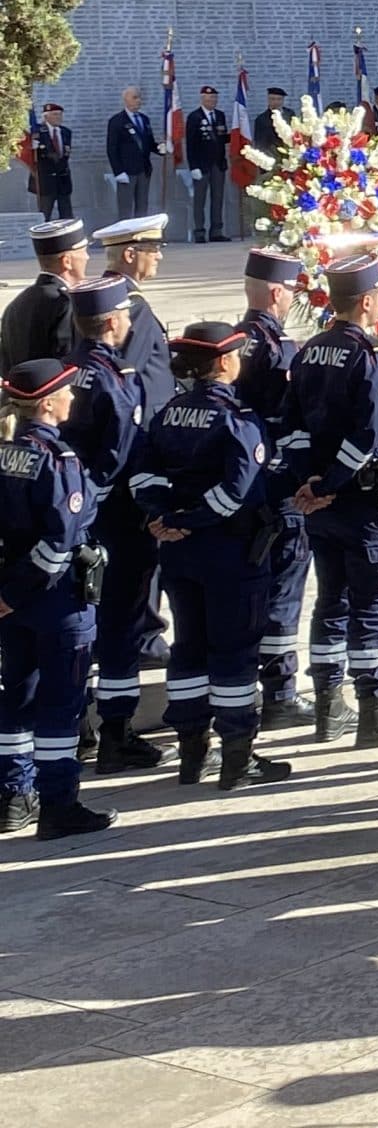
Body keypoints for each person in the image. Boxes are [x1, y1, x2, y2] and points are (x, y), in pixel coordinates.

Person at [126, 321, 293, 791]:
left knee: (189, 648)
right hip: (230, 554)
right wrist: (192, 518)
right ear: (224, 362)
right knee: (235, 651)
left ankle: (192, 752)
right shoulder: (237, 417)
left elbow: (144, 476)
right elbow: (236, 491)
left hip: (179, 554)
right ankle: (238, 755)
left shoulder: (168, 412)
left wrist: (165, 517)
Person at [275, 253, 378, 747]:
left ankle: (327, 707)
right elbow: (369, 436)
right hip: (356, 503)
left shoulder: (306, 351)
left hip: (318, 503)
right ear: (366, 300)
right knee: (370, 607)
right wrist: (331, 482)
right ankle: (374, 709)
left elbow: (289, 428)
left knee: (330, 604)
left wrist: (308, 481)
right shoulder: (372, 357)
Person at [0, 357, 114, 839]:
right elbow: (58, 544)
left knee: (15, 699)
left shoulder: (5, 452)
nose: (74, 397)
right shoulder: (57, 460)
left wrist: (5, 597)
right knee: (60, 704)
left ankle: (12, 797)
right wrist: (16, 593)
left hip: (12, 603)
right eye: (67, 391)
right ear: (47, 403)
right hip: (55, 604)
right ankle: (59, 804)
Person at [70, 277, 159, 774]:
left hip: (71, 521)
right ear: (110, 323)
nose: (128, 323)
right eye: (124, 315)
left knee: (80, 627)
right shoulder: (119, 379)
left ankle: (78, 729)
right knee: (120, 628)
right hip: (119, 522)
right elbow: (122, 455)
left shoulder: (64, 372)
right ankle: (117, 734)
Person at [238, 249, 309, 728]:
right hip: (276, 486)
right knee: (283, 592)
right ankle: (280, 691)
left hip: (241, 484)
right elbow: (289, 416)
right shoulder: (276, 346)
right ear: (278, 292)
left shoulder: (234, 339)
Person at [94, 214, 172, 419]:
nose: (159, 256)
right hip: (142, 414)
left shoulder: (100, 295)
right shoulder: (131, 305)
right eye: (153, 249)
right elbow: (128, 370)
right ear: (130, 254)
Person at [0, 219, 85, 370]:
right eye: (83, 251)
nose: (87, 257)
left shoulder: (17, 303)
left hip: (17, 391)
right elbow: (67, 362)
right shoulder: (65, 303)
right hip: (52, 392)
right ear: (67, 261)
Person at [182, 85, 230, 242]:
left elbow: (222, 138)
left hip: (218, 164)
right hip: (201, 165)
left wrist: (237, 135)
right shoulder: (194, 117)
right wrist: (193, 166)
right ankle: (200, 232)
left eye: (215, 98)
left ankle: (216, 231)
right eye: (209, 98)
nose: (212, 101)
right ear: (202, 99)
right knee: (200, 200)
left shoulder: (220, 116)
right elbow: (190, 144)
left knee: (218, 199)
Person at [105, 86, 159, 221]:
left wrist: (161, 149)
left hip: (143, 169)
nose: (139, 101)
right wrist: (118, 171)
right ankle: (125, 239)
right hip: (127, 171)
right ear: (126, 100)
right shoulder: (117, 121)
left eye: (139, 98)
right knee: (126, 208)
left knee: (142, 207)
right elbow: (112, 148)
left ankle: (140, 237)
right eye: (135, 97)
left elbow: (149, 143)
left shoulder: (144, 119)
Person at [30, 103, 73, 220]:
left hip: (63, 179)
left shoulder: (65, 132)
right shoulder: (37, 133)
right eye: (55, 115)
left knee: (67, 214)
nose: (58, 117)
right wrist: (32, 147)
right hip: (45, 180)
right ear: (46, 116)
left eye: (60, 115)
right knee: (45, 214)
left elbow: (65, 154)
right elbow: (33, 155)